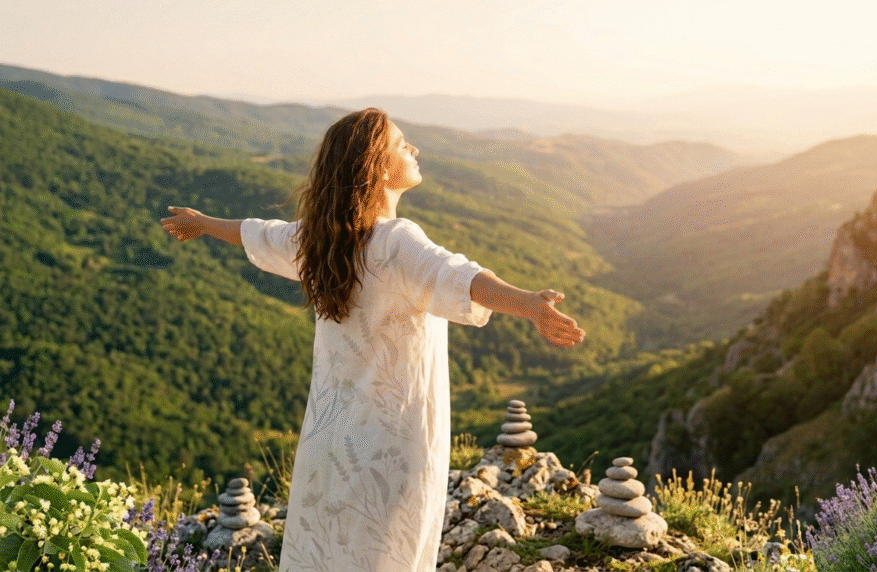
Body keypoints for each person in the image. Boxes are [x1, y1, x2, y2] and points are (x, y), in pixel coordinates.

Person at [160, 108, 585, 572]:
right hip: (391, 447)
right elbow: (459, 277)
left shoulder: (319, 240)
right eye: (403, 144)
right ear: (380, 168)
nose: (414, 149)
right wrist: (528, 303)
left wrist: (202, 222)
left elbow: (254, 233)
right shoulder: (396, 241)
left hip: (329, 442)